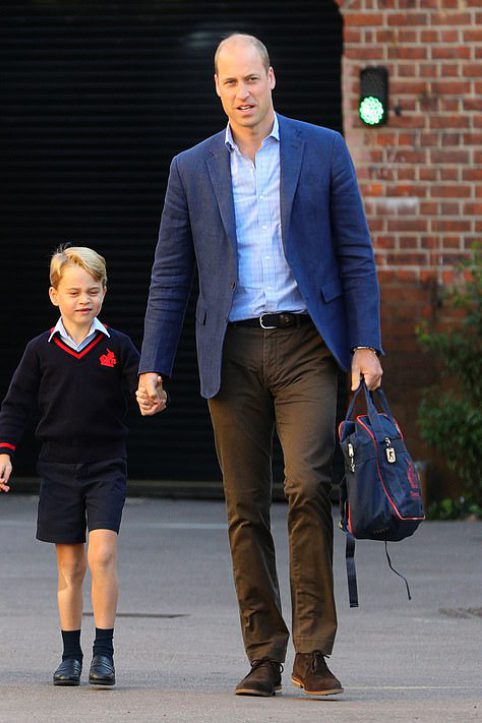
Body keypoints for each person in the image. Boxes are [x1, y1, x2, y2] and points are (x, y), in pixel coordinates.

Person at [136, 33, 383, 697]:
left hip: (307, 345)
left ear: (272, 78)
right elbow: (170, 273)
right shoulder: (191, 168)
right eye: (229, 83)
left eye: (252, 79)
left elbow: (355, 251)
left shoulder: (322, 149)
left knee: (308, 485)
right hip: (232, 349)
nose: (242, 93)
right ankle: (264, 652)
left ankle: (313, 650)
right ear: (216, 88)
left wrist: (366, 343)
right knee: (244, 505)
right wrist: (152, 363)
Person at [0, 246, 152, 688]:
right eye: (75, 291)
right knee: (70, 568)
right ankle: (70, 655)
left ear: (104, 294)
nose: (84, 299)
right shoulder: (40, 350)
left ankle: (104, 653)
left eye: (93, 291)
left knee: (101, 554)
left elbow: (143, 385)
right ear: (54, 295)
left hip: (106, 466)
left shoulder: (116, 346)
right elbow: (16, 404)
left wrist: (150, 394)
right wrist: (4, 453)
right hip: (58, 469)